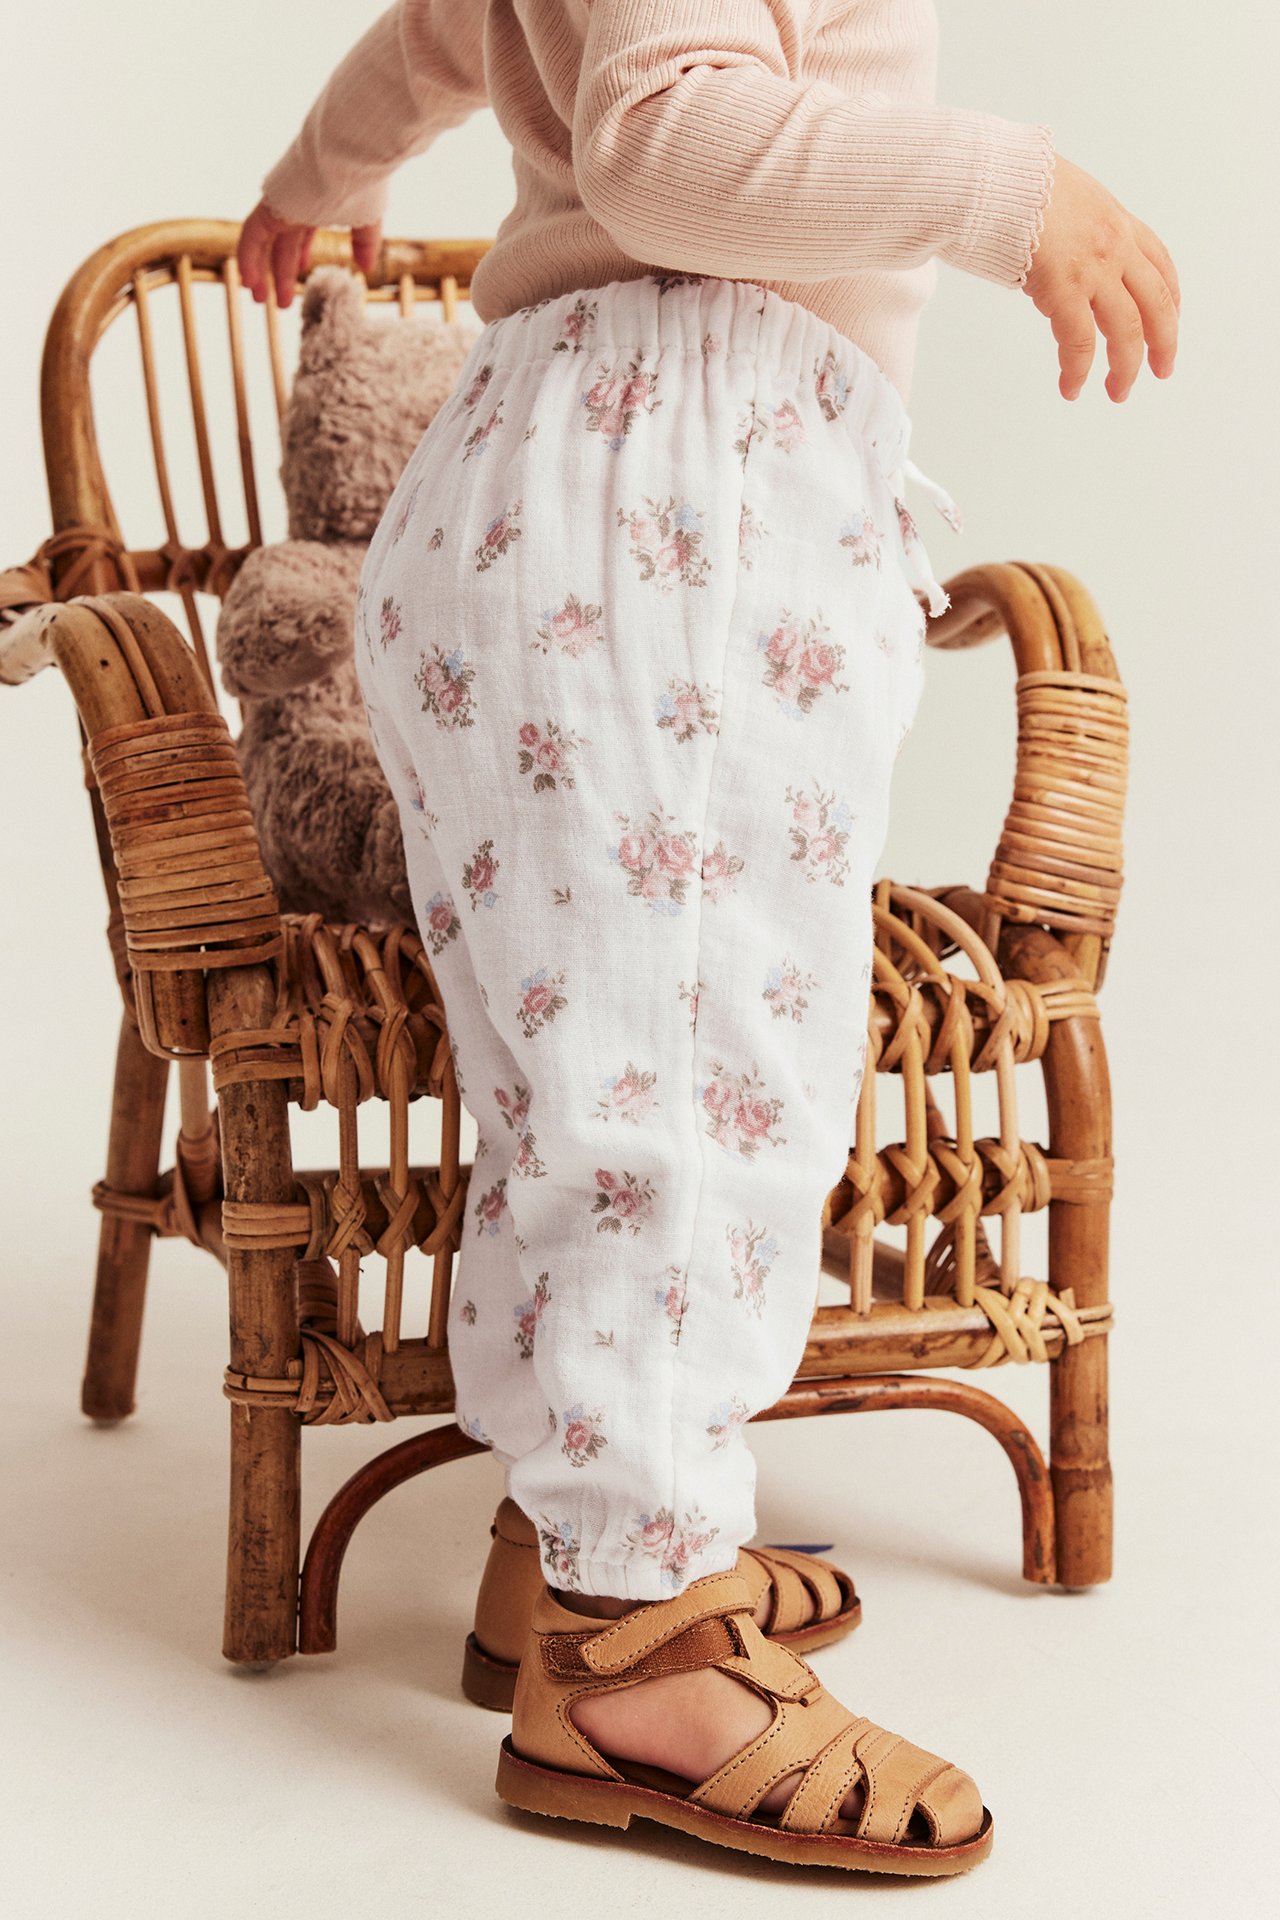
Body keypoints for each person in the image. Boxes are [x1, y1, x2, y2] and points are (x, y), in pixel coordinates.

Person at [237, 0, 1179, 1877]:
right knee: (687, 1078)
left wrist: (312, 181)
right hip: (670, 468)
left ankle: (565, 1549)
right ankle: (635, 1639)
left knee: (585, 1065)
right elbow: (673, 142)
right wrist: (1016, 190)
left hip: (590, 477)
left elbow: (442, 29)